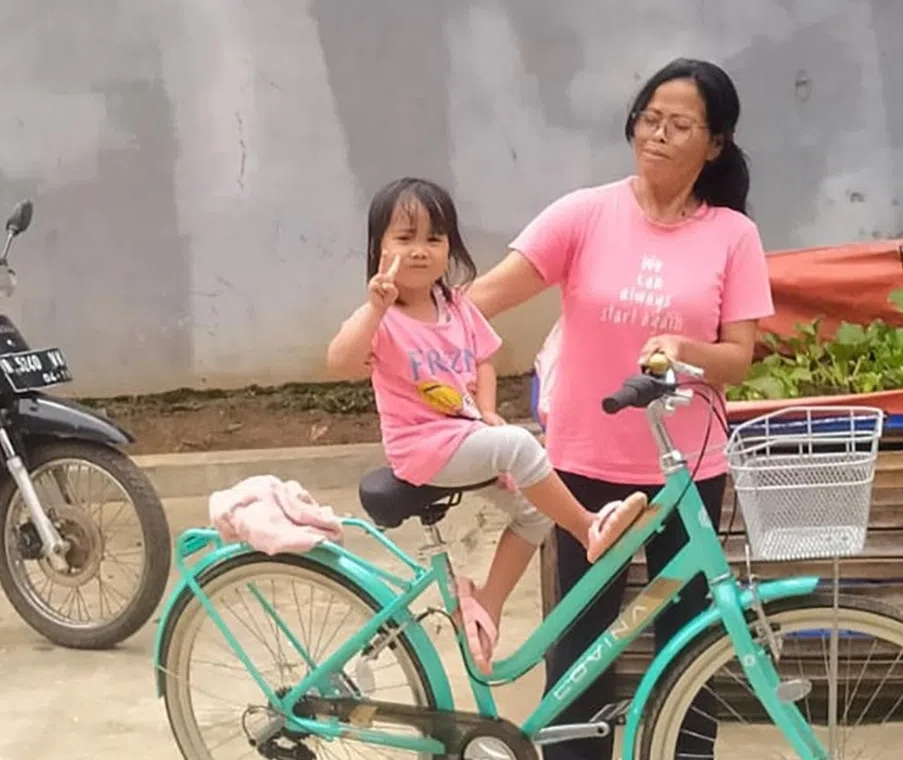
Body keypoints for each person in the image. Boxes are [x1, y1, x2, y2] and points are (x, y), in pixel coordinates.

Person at [466, 58, 775, 759]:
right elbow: (481, 302)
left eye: (680, 125)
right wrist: (416, 336)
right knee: (580, 647)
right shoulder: (584, 214)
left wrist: (684, 347)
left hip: (684, 472)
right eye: (649, 119)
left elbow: (737, 357)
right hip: (582, 464)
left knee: (688, 643)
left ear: (715, 143)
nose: (658, 135)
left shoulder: (732, 235)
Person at [325, 177, 646, 676]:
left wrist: (488, 409)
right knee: (520, 446)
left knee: (535, 512)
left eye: (434, 238)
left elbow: (485, 361)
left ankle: (485, 608)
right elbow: (340, 362)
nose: (420, 250)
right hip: (423, 451)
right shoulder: (383, 318)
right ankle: (587, 528)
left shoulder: (454, 305)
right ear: (378, 248)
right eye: (404, 237)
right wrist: (373, 307)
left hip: (466, 436)